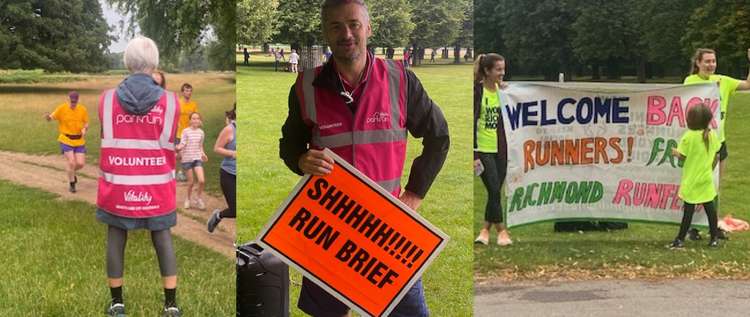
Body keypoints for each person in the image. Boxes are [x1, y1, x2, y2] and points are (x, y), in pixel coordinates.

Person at [279, 1, 449, 316]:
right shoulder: (305, 86)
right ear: (325, 33)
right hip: (328, 230)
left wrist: (413, 195)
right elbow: (288, 145)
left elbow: (438, 137)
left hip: (387, 230)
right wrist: (301, 160)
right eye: (336, 26)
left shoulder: (400, 78)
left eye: (354, 24)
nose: (346, 33)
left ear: (368, 28)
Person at [96, 36, 181, 316]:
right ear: (154, 63)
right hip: (157, 187)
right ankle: (171, 304)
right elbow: (170, 143)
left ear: (126, 62)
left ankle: (117, 302)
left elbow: (106, 138)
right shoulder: (171, 102)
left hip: (118, 187)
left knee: (115, 238)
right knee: (163, 238)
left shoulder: (106, 100)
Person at [682, 48, 750, 240]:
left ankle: (713, 226)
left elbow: (747, 85)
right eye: (707, 61)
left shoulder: (723, 81)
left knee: (715, 187)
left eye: (713, 61)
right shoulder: (690, 82)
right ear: (698, 63)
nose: (711, 65)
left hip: (718, 142)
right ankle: (693, 228)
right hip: (699, 144)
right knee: (698, 186)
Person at [669, 104, 721, 248]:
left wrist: (674, 152)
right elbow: (717, 154)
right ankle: (714, 238)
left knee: (688, 212)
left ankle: (680, 239)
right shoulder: (712, 135)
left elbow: (682, 156)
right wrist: (709, 169)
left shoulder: (689, 137)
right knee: (711, 211)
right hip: (705, 179)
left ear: (690, 120)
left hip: (691, 181)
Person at [473, 53, 512, 246]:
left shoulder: (504, 92)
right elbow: (472, 123)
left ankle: (484, 231)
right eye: (498, 69)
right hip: (483, 149)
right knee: (494, 190)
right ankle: (502, 231)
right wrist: (474, 154)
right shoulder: (477, 92)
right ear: (487, 71)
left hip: (502, 150)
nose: (502, 73)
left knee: (495, 192)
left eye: (503, 69)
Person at [44, 91, 89, 193]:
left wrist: (85, 129)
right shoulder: (62, 108)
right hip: (66, 139)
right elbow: (51, 117)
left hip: (79, 140)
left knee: (81, 164)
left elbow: (86, 123)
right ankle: (72, 184)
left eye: (75, 102)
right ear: (68, 99)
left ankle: (71, 173)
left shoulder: (82, 109)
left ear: (78, 100)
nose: (73, 104)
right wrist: (48, 117)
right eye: (71, 101)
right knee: (72, 162)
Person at [207, 105, 236, 233]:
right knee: (235, 210)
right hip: (229, 174)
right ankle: (218, 216)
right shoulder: (229, 129)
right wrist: (233, 153)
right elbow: (217, 148)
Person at [176, 112, 207, 210]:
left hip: (197, 158)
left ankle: (197, 198)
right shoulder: (185, 131)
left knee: (202, 180)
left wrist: (203, 154)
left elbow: (200, 146)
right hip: (187, 159)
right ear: (190, 120)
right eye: (193, 118)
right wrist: (178, 148)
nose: (195, 120)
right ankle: (188, 199)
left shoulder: (201, 132)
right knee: (191, 182)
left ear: (200, 120)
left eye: (197, 118)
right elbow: (183, 143)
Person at [176, 83, 199, 182]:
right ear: (182, 92)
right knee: (179, 155)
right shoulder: (178, 103)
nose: (188, 93)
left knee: (185, 154)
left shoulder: (193, 104)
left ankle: (180, 173)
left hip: (189, 134)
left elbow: (197, 118)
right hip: (178, 133)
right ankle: (175, 171)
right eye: (186, 90)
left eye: (190, 91)